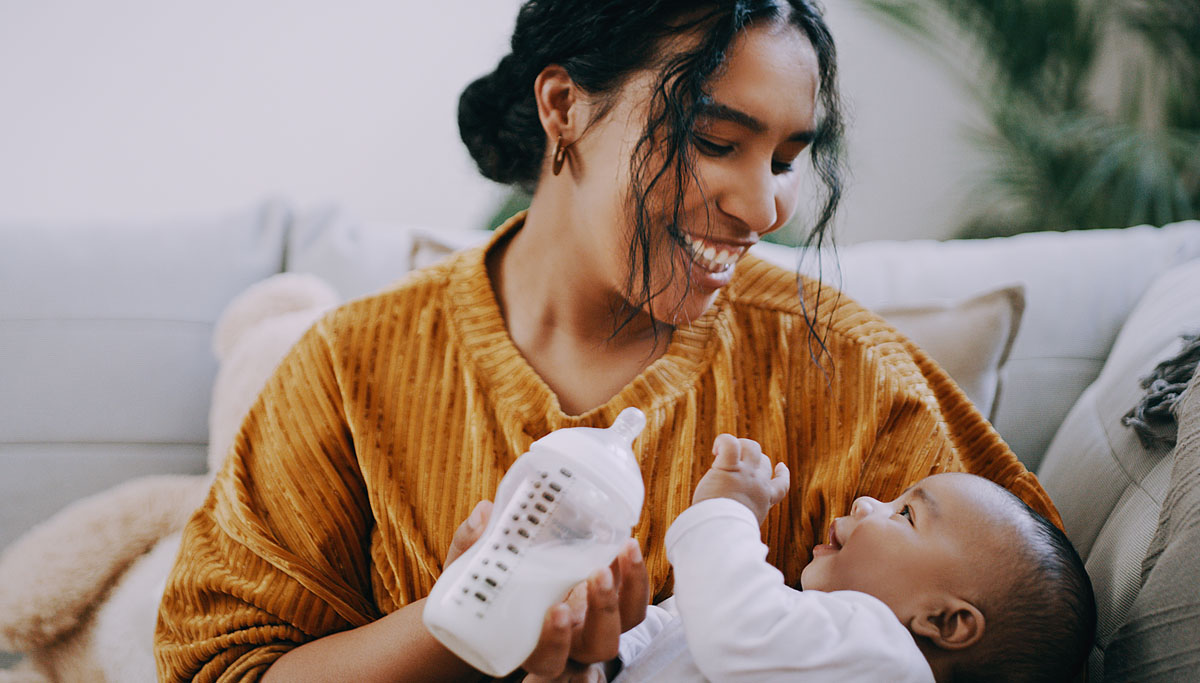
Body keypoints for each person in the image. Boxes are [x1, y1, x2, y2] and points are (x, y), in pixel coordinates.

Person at [155, 1, 1063, 681]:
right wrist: (468, 616)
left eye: (786, 159)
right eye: (714, 140)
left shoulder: (842, 369)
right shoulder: (353, 367)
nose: (763, 208)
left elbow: (1028, 624)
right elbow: (221, 665)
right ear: (564, 107)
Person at [555, 435, 1093, 682]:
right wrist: (605, 650)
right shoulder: (800, 619)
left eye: (905, 514)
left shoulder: (885, 660)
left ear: (944, 621)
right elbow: (684, 629)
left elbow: (734, 628)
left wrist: (727, 510)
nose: (866, 501)